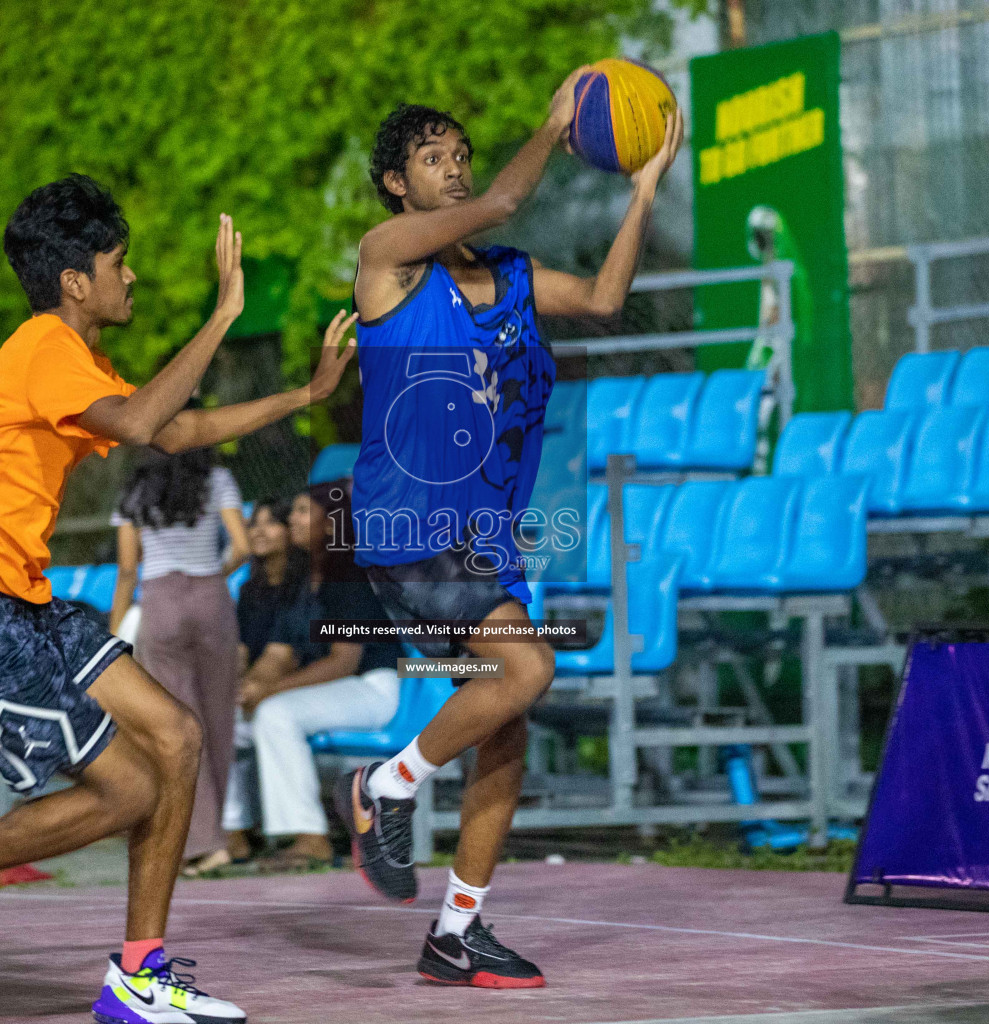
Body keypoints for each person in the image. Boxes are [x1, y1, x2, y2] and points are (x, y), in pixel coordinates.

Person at [0, 174, 355, 1023]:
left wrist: (302, 395)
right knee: (129, 791)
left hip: (14, 596)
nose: (132, 278)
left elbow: (171, 429)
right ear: (76, 280)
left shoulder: (75, 363)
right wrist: (222, 315)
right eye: (120, 264)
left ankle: (138, 975)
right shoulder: (44, 344)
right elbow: (135, 426)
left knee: (178, 736)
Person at [334, 77, 684, 989]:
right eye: (431, 160)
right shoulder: (390, 262)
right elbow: (503, 199)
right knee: (527, 668)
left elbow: (607, 297)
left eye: (460, 156)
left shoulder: (518, 278)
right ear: (395, 187)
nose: (453, 171)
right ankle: (387, 785)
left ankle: (457, 932)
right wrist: (556, 125)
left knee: (508, 728)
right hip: (410, 524)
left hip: (489, 539)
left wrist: (643, 192)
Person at [242, 484, 403, 871]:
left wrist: (269, 691)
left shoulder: (349, 571)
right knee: (232, 718)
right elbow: (281, 650)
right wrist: (248, 687)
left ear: (330, 524)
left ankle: (310, 838)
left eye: (301, 511)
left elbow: (344, 661)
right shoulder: (302, 579)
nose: (291, 520)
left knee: (276, 713)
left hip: (371, 687)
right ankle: (232, 834)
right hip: (332, 689)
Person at [108, 436, 249, 878]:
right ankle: (213, 840)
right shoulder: (218, 479)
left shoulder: (135, 489)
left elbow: (128, 567)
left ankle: (195, 842)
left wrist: (114, 629)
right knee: (217, 719)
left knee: (175, 722)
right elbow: (242, 547)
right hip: (211, 598)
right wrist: (210, 576)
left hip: (162, 601)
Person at [221, 498, 310, 860]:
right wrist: (228, 685)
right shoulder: (250, 589)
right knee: (213, 717)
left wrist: (252, 686)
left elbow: (283, 655)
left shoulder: (305, 584)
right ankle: (235, 829)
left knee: (256, 714)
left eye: (271, 523)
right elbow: (241, 651)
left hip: (299, 684)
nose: (258, 530)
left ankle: (294, 835)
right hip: (262, 686)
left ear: (290, 531)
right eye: (254, 522)